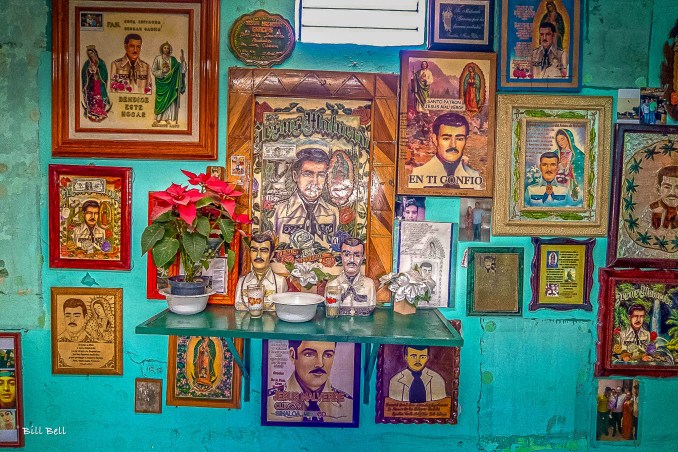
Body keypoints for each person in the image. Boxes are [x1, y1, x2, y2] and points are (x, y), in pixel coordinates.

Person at [267, 340, 353, 423]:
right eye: (309, 354)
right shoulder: (268, 402)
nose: (320, 364)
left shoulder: (348, 405)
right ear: (293, 355)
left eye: (328, 355)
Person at [272, 148, 340, 247]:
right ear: (295, 176)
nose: (314, 182)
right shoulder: (278, 211)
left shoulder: (333, 212)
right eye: (308, 174)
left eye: (321, 175)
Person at [409, 113, 481, 189]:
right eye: (446, 138)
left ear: (466, 140)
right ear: (435, 139)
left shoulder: (473, 176)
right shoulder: (418, 175)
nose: (453, 145)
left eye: (459, 139)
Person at [235, 231, 287, 312]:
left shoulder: (280, 282)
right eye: (254, 250)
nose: (258, 256)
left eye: (264, 251)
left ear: (272, 255)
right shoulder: (242, 282)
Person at [324, 238, 376, 316]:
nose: (352, 260)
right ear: (341, 256)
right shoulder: (332, 285)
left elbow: (371, 307)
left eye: (357, 255)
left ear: (363, 257)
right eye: (347, 255)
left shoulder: (369, 285)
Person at [152, 42, 187, 125]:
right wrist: (162, 72)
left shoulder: (173, 59)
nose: (166, 49)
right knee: (161, 101)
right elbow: (153, 71)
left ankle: (167, 118)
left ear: (170, 50)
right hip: (162, 83)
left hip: (171, 83)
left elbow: (181, 70)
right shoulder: (158, 59)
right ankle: (159, 119)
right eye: (165, 48)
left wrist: (183, 62)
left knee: (170, 101)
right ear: (162, 49)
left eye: (168, 48)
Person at [81, 45, 111, 122]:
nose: (91, 55)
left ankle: (99, 111)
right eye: (89, 54)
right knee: (91, 98)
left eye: (92, 53)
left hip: (99, 83)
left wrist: (97, 70)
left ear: (95, 53)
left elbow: (104, 73)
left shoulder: (101, 63)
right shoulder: (87, 63)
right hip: (90, 85)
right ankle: (91, 111)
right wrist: (89, 71)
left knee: (99, 98)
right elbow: (84, 73)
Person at [553, 128, 584, 201]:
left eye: (562, 139)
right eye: (558, 141)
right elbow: (551, 166)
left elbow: (582, 169)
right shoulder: (556, 153)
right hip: (558, 181)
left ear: (569, 138)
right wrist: (560, 166)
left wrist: (568, 167)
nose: (560, 143)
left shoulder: (578, 154)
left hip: (571, 182)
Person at [649, 165, 678, 230]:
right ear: (658, 189)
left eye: (677, 188)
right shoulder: (650, 211)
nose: (672, 193)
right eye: (667, 187)